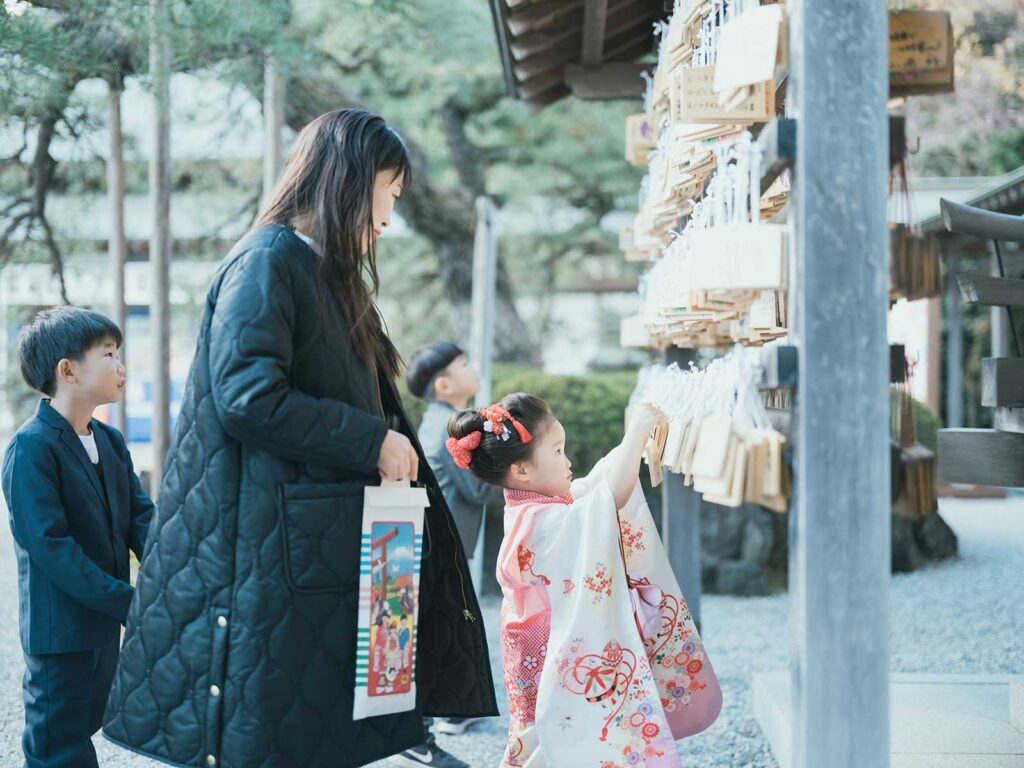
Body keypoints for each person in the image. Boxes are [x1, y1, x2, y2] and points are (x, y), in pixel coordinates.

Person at [103, 109, 496, 768]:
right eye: (390, 193)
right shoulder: (269, 260)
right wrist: (372, 441)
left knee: (313, 727)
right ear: (352, 178)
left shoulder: (312, 269)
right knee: (277, 732)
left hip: (308, 543)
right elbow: (246, 396)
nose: (388, 218)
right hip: (275, 549)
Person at [446, 394, 723, 767]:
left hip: (545, 648)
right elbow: (607, 500)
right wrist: (636, 433)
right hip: (550, 652)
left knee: (556, 736)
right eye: (558, 451)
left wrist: (625, 448)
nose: (568, 461)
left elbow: (595, 489)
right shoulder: (538, 522)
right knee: (556, 736)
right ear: (522, 471)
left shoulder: (535, 510)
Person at [1, 307, 153, 768]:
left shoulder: (109, 440)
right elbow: (53, 550)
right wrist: (131, 601)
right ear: (67, 371)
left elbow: (140, 519)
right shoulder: (31, 448)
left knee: (84, 727)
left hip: (103, 628)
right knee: (57, 747)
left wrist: (171, 575)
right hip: (61, 632)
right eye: (108, 354)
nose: (121, 366)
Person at [405, 341, 505, 741]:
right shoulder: (450, 426)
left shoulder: (439, 419)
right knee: (450, 622)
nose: (473, 366)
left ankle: (448, 709)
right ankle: (447, 711)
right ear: (444, 385)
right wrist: (522, 478)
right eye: (464, 363)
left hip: (441, 540)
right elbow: (478, 490)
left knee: (447, 622)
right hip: (445, 542)